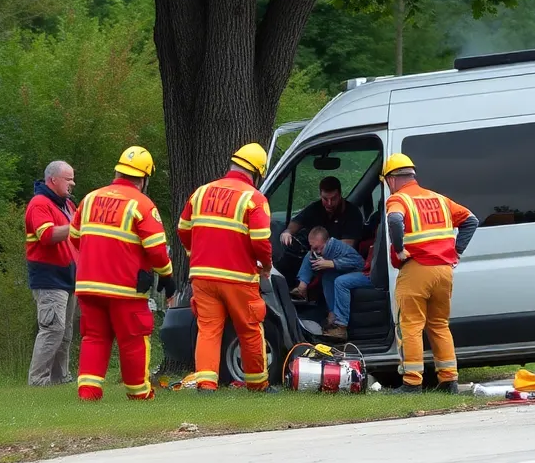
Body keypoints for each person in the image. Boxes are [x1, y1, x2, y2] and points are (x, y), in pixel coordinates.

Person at [70, 147, 175, 401]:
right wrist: (167, 276)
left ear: (118, 171)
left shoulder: (90, 199)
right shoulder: (142, 204)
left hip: (88, 285)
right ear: (144, 178)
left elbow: (74, 238)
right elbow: (156, 250)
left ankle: (88, 393)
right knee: (133, 339)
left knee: (94, 338)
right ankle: (139, 394)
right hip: (125, 287)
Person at [177, 143, 276, 393]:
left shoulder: (201, 193)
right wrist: (266, 265)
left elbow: (183, 229)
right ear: (256, 173)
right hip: (238, 277)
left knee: (208, 329)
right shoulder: (254, 198)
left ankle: (206, 384)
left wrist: (194, 254)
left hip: (202, 277)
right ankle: (257, 384)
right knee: (250, 328)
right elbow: (261, 241)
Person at [381, 153, 479, 393]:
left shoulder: (398, 199)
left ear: (391, 179)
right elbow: (471, 220)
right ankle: (449, 380)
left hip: (417, 269)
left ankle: (412, 382)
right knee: (439, 325)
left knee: (410, 325)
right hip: (443, 271)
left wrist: (399, 249)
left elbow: (394, 220)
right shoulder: (439, 199)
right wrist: (456, 251)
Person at [24, 160, 78, 386]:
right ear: (53, 180)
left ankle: (59, 379)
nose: (72, 183)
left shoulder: (68, 205)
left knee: (65, 333)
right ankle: (38, 381)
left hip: (68, 277)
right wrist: (77, 227)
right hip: (49, 278)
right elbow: (46, 236)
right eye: (68, 179)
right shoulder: (39, 204)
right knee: (52, 329)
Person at [289, 226, 367, 329]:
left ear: (328, 242)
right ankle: (302, 289)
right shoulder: (319, 250)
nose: (317, 251)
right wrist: (303, 283)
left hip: (357, 272)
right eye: (313, 247)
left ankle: (338, 322)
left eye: (319, 248)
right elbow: (311, 257)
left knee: (339, 281)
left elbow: (359, 263)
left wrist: (332, 263)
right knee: (326, 275)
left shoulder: (339, 248)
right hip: (340, 271)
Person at [278, 176, 364, 249]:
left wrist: (321, 249)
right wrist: (288, 232)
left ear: (340, 195)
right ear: (320, 195)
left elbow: (348, 245)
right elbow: (297, 221)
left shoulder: (352, 213)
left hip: (340, 257)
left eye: (333, 199)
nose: (329, 203)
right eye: (325, 199)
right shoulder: (315, 208)